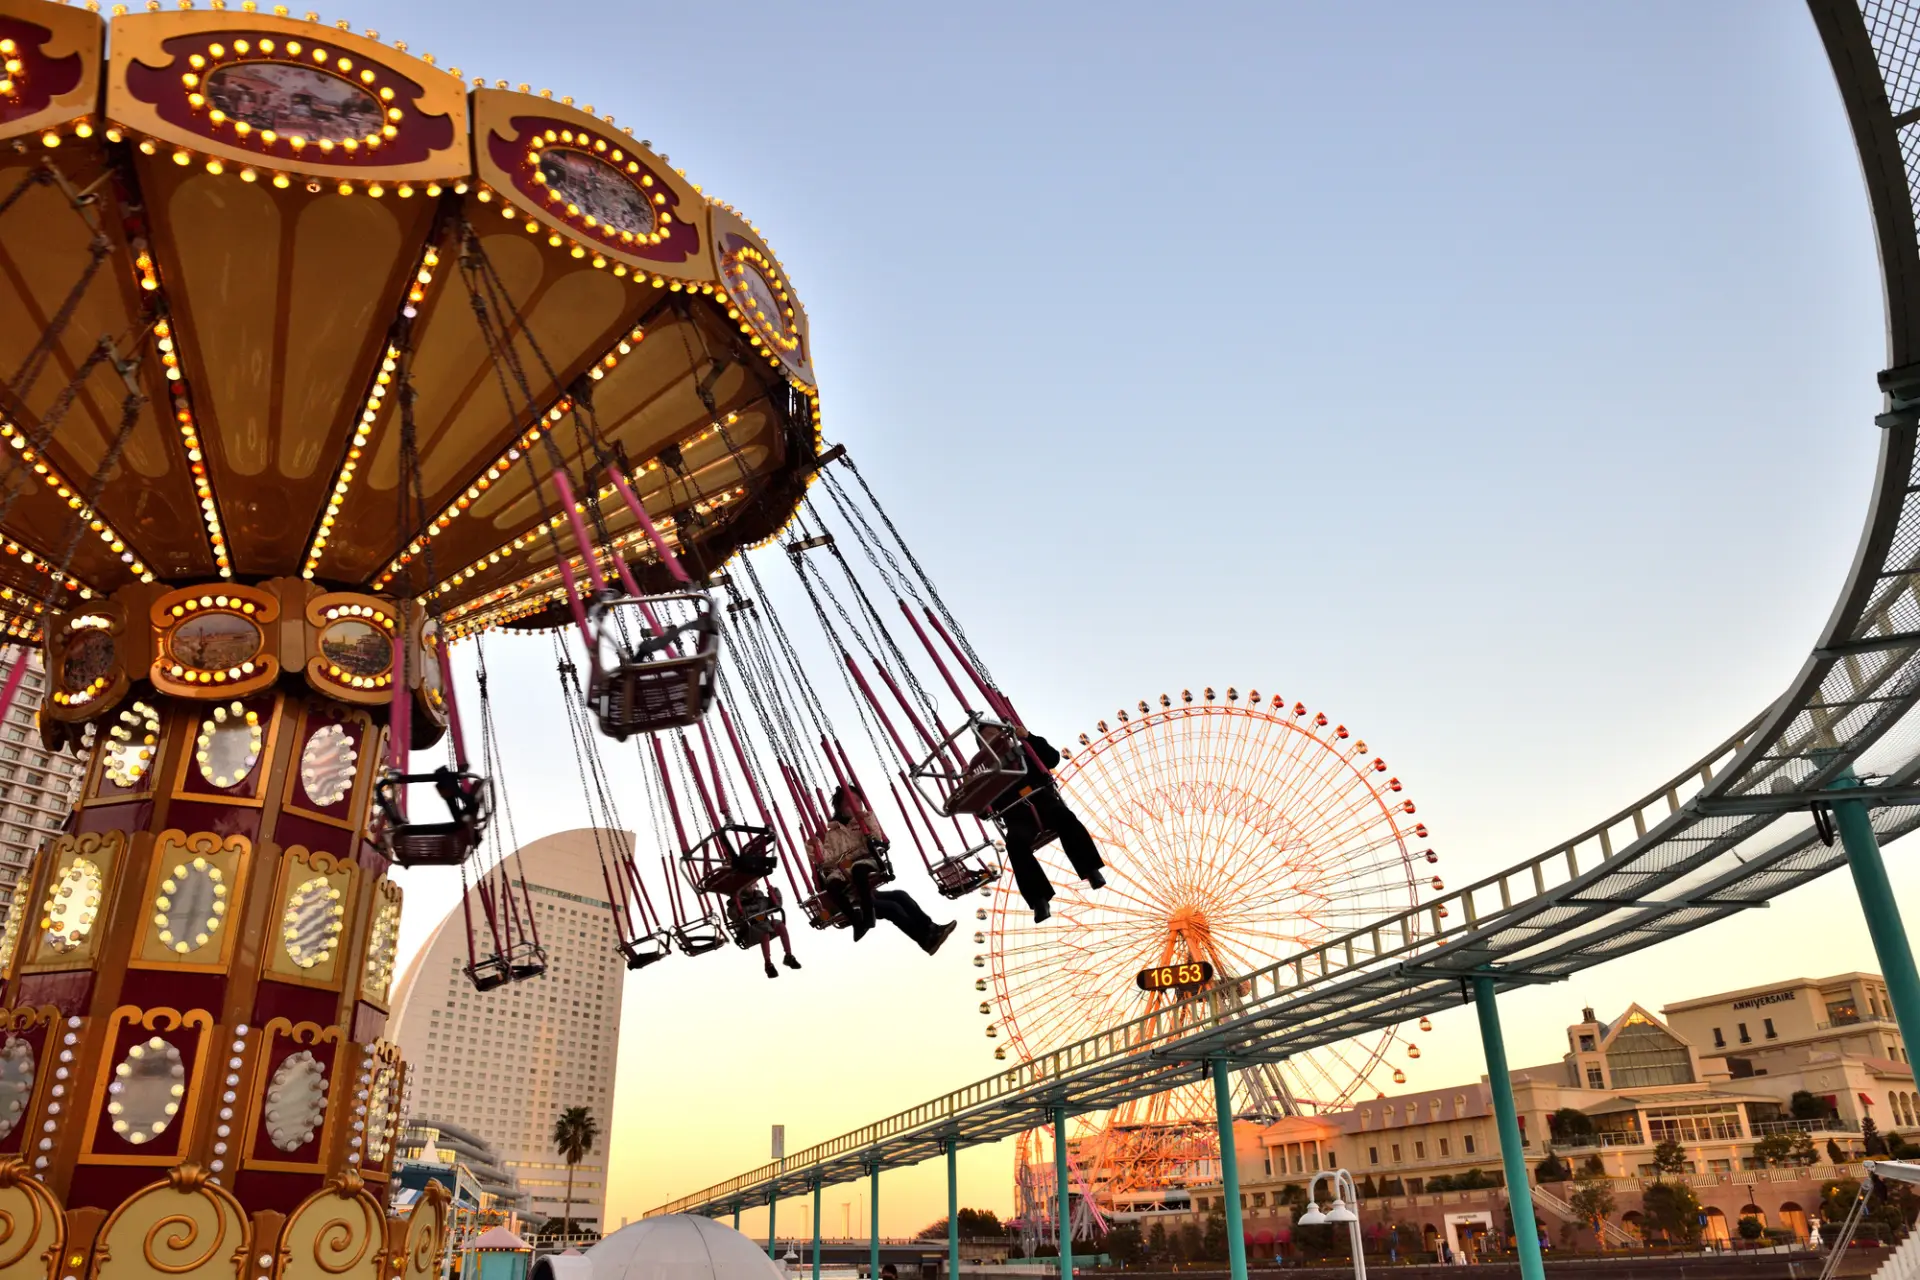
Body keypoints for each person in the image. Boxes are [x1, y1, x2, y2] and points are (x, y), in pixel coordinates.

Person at [814, 785, 957, 955]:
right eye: (849, 803)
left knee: (900, 895)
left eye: (858, 801)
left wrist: (865, 819)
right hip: (853, 898)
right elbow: (828, 864)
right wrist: (818, 851)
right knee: (891, 908)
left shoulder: (862, 822)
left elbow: (876, 838)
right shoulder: (831, 837)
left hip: (862, 887)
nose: (855, 806)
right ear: (839, 807)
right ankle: (924, 940)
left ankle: (931, 929)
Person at [990, 726, 1105, 922]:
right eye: (987, 740)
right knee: (1014, 844)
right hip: (1018, 817)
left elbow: (1052, 759)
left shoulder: (1026, 749)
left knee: (1065, 818)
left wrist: (1029, 737)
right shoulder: (988, 774)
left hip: (1044, 802)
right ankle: (1039, 900)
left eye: (995, 736)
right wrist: (972, 789)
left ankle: (1090, 869)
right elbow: (985, 810)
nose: (993, 742)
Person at [727, 883, 802, 979]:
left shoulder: (761, 899)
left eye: (751, 884)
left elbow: (776, 905)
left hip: (764, 924)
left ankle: (788, 955)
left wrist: (774, 893)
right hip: (749, 930)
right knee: (764, 931)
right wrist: (735, 904)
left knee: (780, 925)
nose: (749, 887)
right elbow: (734, 916)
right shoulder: (737, 905)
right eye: (746, 885)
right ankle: (768, 963)